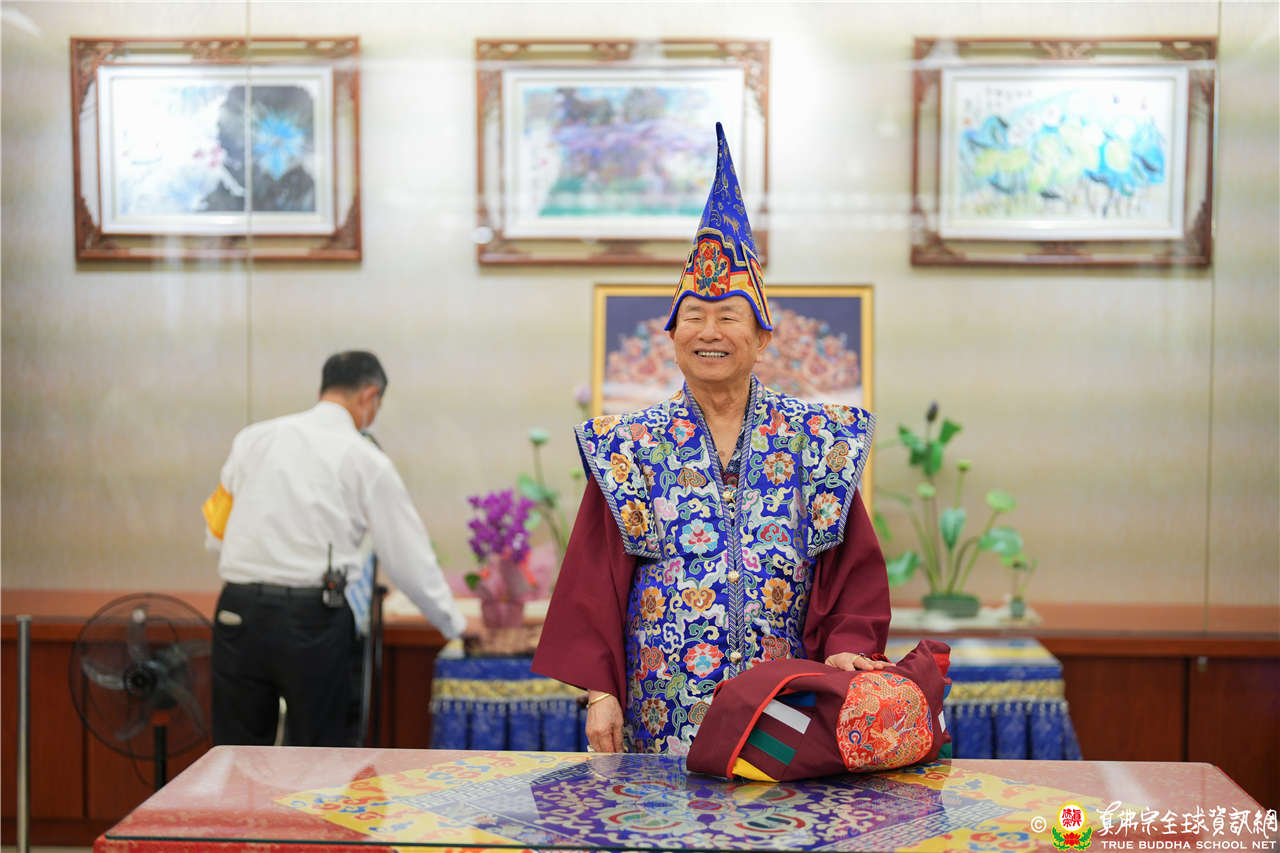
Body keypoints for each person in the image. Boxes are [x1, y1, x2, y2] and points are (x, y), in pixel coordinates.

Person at [533, 124, 891, 755]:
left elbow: (852, 576)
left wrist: (846, 649)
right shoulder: (629, 448)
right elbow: (593, 582)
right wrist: (600, 692)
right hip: (659, 712)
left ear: (762, 338)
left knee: (774, 816)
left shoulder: (818, 442)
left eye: (729, 316)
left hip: (784, 711)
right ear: (672, 336)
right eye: (693, 316)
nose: (709, 331)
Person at [202, 350, 465, 746]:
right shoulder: (365, 458)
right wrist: (454, 625)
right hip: (312, 619)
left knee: (236, 751)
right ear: (369, 396)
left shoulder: (253, 438)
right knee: (318, 756)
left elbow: (216, 531)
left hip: (237, 612)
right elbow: (409, 560)